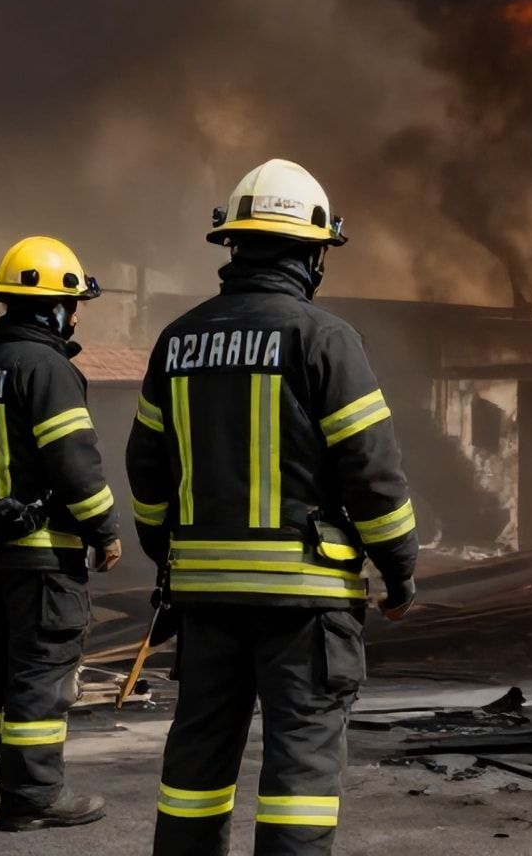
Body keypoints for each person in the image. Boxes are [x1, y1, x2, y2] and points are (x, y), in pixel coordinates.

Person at [129, 159, 419, 856]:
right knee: (302, 765)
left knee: (197, 759)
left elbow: (146, 471)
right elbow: (373, 474)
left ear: (234, 245)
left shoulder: (179, 340)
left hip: (205, 600)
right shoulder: (326, 339)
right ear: (315, 254)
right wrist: (400, 573)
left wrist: (168, 552)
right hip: (305, 604)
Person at [0, 235, 121, 831]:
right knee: (41, 673)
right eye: (76, 304)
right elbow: (73, 461)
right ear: (53, 307)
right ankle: (33, 796)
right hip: (42, 556)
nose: (78, 315)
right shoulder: (49, 369)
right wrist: (104, 529)